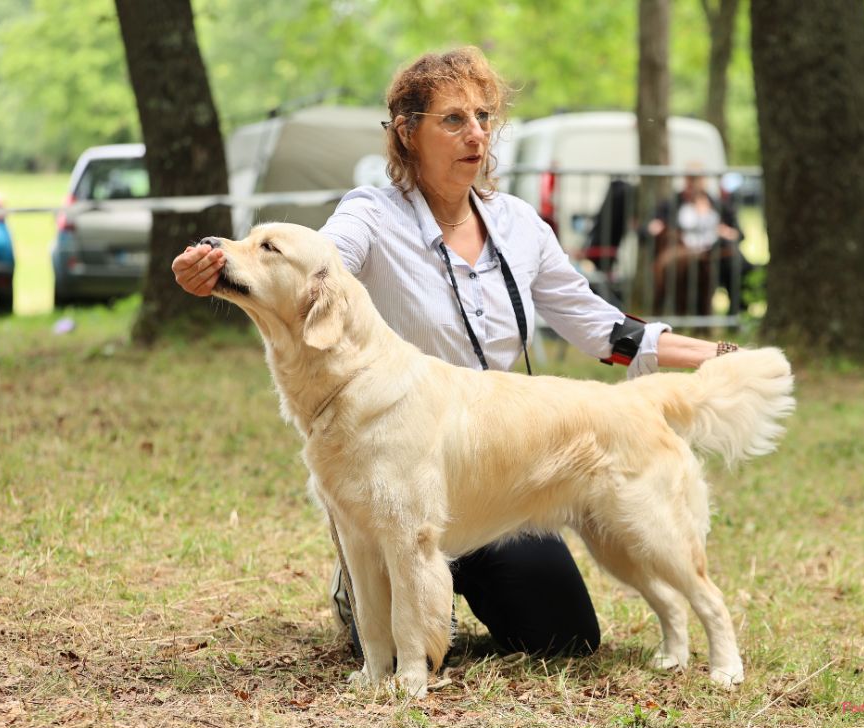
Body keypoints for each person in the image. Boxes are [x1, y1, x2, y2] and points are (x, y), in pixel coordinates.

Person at [172, 47, 739, 661]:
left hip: (495, 466)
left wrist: (717, 353)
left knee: (565, 638)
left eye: (484, 117)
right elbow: (318, 264)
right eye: (453, 120)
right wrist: (229, 270)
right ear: (408, 133)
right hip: (404, 456)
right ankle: (373, 576)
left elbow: (601, 327)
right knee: (397, 559)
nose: (476, 135)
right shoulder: (370, 215)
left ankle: (447, 577)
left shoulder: (520, 225)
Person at [645, 170, 751, 317]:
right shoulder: (671, 204)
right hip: (684, 254)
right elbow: (651, 228)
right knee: (685, 266)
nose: (694, 183)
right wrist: (655, 227)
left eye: (697, 178)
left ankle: (737, 316)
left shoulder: (718, 205)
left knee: (739, 264)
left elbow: (739, 234)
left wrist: (726, 232)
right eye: (690, 178)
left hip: (714, 253)